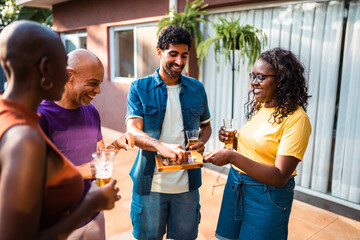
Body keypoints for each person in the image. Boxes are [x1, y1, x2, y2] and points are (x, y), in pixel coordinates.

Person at [0, 20, 120, 240]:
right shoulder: (23, 136)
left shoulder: (10, 117)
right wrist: (91, 203)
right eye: (62, 67)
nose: (66, 77)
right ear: (46, 68)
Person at [204, 47, 312, 240]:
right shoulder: (261, 106)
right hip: (236, 185)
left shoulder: (297, 120)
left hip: (266, 196)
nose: (254, 82)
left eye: (261, 77)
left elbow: (280, 176)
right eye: (252, 76)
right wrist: (234, 141)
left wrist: (231, 156)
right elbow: (257, 150)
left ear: (281, 80)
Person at [37, 48, 135, 240]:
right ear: (69, 75)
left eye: (99, 84)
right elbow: (33, 177)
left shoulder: (91, 112)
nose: (98, 91)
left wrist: (116, 144)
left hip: (94, 214)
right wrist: (81, 171)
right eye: (92, 83)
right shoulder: (41, 115)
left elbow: (99, 157)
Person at [126, 25, 212, 240]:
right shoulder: (139, 88)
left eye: (184, 55)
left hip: (187, 186)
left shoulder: (197, 88)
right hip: (151, 186)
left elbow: (206, 127)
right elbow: (133, 132)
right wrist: (161, 147)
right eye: (173, 54)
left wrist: (202, 141)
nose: (180, 62)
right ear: (159, 52)